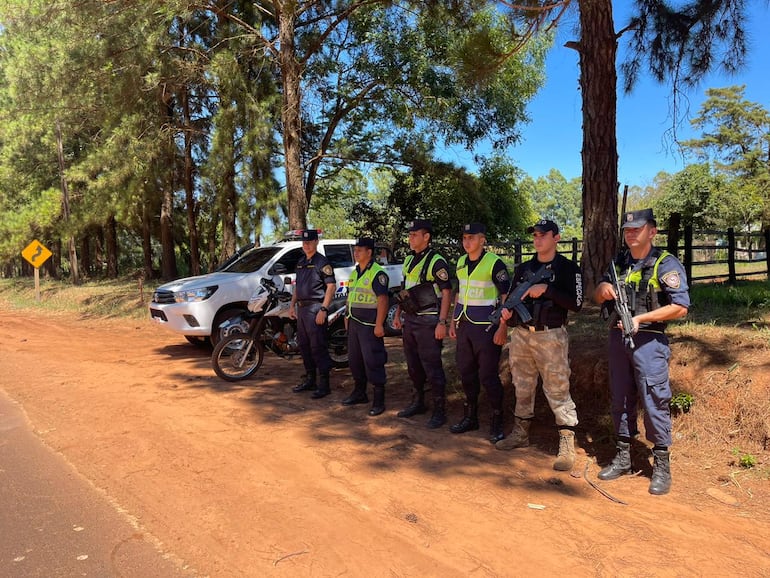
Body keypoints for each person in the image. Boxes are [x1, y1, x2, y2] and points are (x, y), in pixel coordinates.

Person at [593, 208, 689, 495]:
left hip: (649, 342)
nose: (631, 233)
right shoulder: (618, 262)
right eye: (627, 229)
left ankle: (661, 463)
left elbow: (681, 307)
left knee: (654, 399)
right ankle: (623, 456)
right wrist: (605, 288)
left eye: (637, 228)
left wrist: (640, 319)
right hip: (617, 339)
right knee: (620, 397)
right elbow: (596, 294)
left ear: (652, 231)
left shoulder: (665, 263)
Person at [495, 219, 584, 472]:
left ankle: (566, 441)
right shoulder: (524, 268)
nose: (537, 239)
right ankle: (521, 433)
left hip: (551, 336)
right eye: (535, 235)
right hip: (522, 336)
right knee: (522, 384)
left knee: (557, 386)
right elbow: (513, 302)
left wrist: (547, 289)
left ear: (556, 237)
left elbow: (576, 304)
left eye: (543, 235)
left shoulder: (568, 269)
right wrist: (506, 317)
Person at [448, 223, 511, 443]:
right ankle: (470, 416)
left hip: (487, 327)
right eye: (464, 237)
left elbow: (506, 297)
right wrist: (452, 321)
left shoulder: (494, 263)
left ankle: (497, 419)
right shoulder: (460, 262)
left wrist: (503, 327)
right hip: (464, 325)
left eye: (471, 238)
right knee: (466, 372)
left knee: (487, 375)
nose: (467, 242)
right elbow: (459, 293)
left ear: (482, 239)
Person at [393, 219, 453, 428]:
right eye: (409, 235)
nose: (410, 238)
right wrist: (397, 313)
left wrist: (442, 322)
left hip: (428, 320)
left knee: (432, 366)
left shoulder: (436, 261)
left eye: (414, 235)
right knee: (413, 365)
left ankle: (439, 410)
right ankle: (418, 402)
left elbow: (447, 292)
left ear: (426, 237)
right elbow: (404, 289)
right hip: (410, 319)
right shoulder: (409, 260)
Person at [341, 237, 390, 416]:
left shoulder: (378, 273)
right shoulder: (355, 273)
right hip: (354, 323)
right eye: (355, 250)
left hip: (369, 325)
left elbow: (383, 299)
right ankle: (359, 392)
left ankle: (379, 400)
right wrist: (347, 317)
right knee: (355, 360)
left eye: (360, 250)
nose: (356, 253)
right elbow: (350, 297)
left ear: (369, 252)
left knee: (373, 360)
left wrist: (379, 324)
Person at [289, 229, 337, 399]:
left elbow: (331, 286)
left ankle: (324, 384)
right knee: (304, 346)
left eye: (309, 242)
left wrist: (324, 309)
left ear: (316, 242)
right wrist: (292, 305)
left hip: (316, 308)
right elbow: (298, 286)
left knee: (318, 347)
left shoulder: (322, 262)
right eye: (304, 242)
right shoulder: (301, 262)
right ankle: (310, 379)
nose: (306, 245)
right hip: (302, 310)